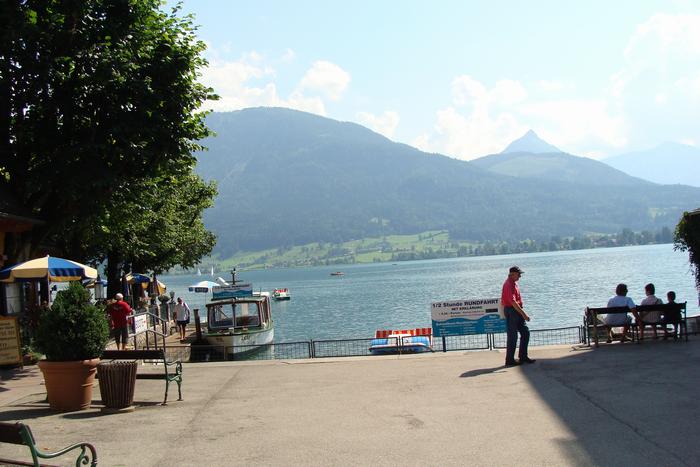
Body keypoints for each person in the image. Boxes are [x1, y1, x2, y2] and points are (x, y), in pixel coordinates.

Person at [501, 266, 534, 366]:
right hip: (512, 311)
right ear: (512, 274)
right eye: (518, 274)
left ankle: (523, 356)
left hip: (516, 310)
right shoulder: (508, 285)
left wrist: (521, 312)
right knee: (512, 336)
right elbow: (513, 302)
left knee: (525, 332)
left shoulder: (514, 283)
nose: (520, 276)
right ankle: (509, 360)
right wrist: (524, 314)